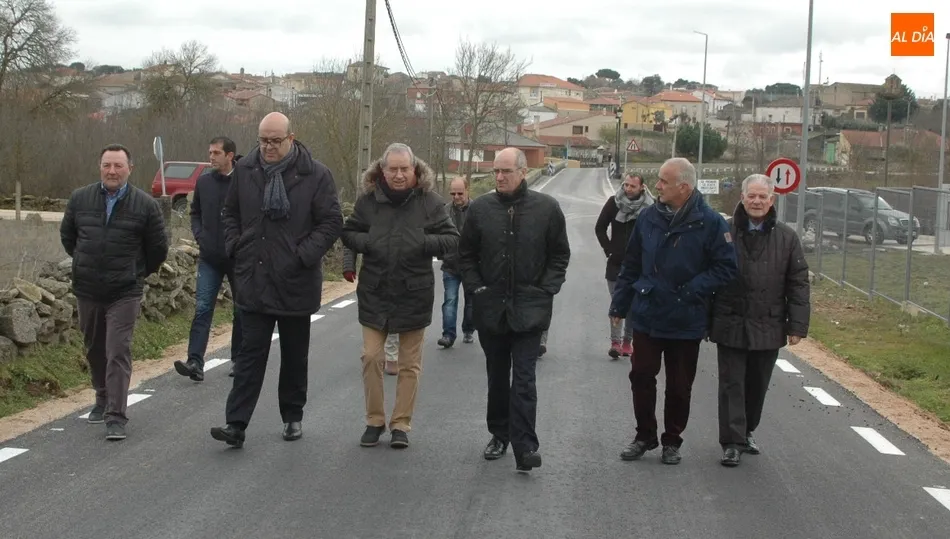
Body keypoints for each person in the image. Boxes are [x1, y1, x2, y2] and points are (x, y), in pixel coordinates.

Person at [210, 112, 343, 448]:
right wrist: (235, 245)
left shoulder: (315, 174)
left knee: (294, 355)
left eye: (275, 141)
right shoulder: (245, 170)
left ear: (291, 138)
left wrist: (302, 256)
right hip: (253, 278)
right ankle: (236, 424)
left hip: (296, 281)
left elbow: (330, 223)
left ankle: (292, 415)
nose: (268, 147)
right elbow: (230, 213)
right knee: (248, 356)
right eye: (263, 140)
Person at [609, 157, 737, 465]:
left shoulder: (711, 222)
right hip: (649, 312)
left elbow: (726, 267)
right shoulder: (648, 218)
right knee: (640, 375)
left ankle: (672, 440)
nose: (657, 186)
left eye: (664, 182)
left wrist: (694, 289)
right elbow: (632, 264)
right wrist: (619, 304)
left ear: (684, 186)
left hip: (687, 317)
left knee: (680, 386)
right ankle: (644, 436)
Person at [459, 147, 571, 472]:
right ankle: (499, 433)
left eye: (506, 171)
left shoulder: (547, 209)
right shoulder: (480, 209)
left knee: (524, 379)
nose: (499, 177)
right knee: (497, 377)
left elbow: (559, 254)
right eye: (496, 171)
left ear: (523, 172)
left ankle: (526, 447)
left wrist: (546, 288)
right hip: (491, 309)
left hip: (530, 310)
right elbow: (465, 255)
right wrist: (477, 288)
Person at [341, 143, 458, 449]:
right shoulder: (368, 202)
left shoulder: (430, 202)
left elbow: (451, 239)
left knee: (409, 364)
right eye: (392, 169)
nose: (398, 175)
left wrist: (420, 241)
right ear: (382, 170)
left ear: (414, 169)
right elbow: (349, 233)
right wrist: (369, 242)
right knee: (371, 356)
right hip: (375, 291)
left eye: (404, 169)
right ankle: (374, 420)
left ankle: (401, 424)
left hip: (414, 292)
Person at [60, 143, 169, 441]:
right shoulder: (80, 199)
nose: (112, 171)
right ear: (100, 167)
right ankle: (101, 397)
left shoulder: (146, 205)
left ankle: (116, 416)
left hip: (125, 290)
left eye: (118, 166)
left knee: (117, 349)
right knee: (94, 347)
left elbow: (158, 249)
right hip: (88, 288)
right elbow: (68, 238)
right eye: (107, 165)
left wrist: (135, 272)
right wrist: (85, 263)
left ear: (129, 169)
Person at [709, 174, 810, 467]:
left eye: (762, 197)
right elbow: (709, 276)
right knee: (731, 384)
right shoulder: (723, 232)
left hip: (769, 322)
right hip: (730, 320)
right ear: (741, 197)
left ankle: (747, 429)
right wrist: (704, 320)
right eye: (751, 196)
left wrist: (797, 325)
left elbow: (798, 283)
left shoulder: (787, 238)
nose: (756, 201)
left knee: (756, 385)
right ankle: (731, 442)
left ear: (771, 200)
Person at [175, 136, 243, 382]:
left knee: (241, 310)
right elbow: (195, 213)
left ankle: (239, 360)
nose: (211, 156)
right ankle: (195, 362)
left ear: (230, 155)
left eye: (216, 152)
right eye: (210, 152)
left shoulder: (244, 182)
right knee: (203, 308)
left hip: (238, 258)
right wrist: (200, 235)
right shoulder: (203, 182)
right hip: (210, 257)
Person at [595, 173, 654, 359]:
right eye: (626, 185)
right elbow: (600, 227)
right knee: (617, 301)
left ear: (642, 188)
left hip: (638, 265)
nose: (628, 189)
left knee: (633, 305)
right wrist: (609, 250)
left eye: (632, 186)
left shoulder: (649, 209)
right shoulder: (614, 203)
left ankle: (628, 341)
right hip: (616, 263)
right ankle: (615, 342)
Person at [344, 246, 398, 376]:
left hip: (400, 274)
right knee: (371, 316)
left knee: (395, 315)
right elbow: (351, 236)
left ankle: (391, 357)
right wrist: (348, 265)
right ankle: (370, 352)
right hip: (371, 276)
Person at [437, 176, 475, 348]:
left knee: (471, 302)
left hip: (472, 266)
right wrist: (440, 253)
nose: (456, 197)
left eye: (460, 193)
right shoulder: (444, 211)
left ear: (467, 191)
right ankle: (448, 335)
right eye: (453, 193)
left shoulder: (478, 211)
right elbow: (437, 235)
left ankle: (468, 329)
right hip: (450, 265)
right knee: (450, 300)